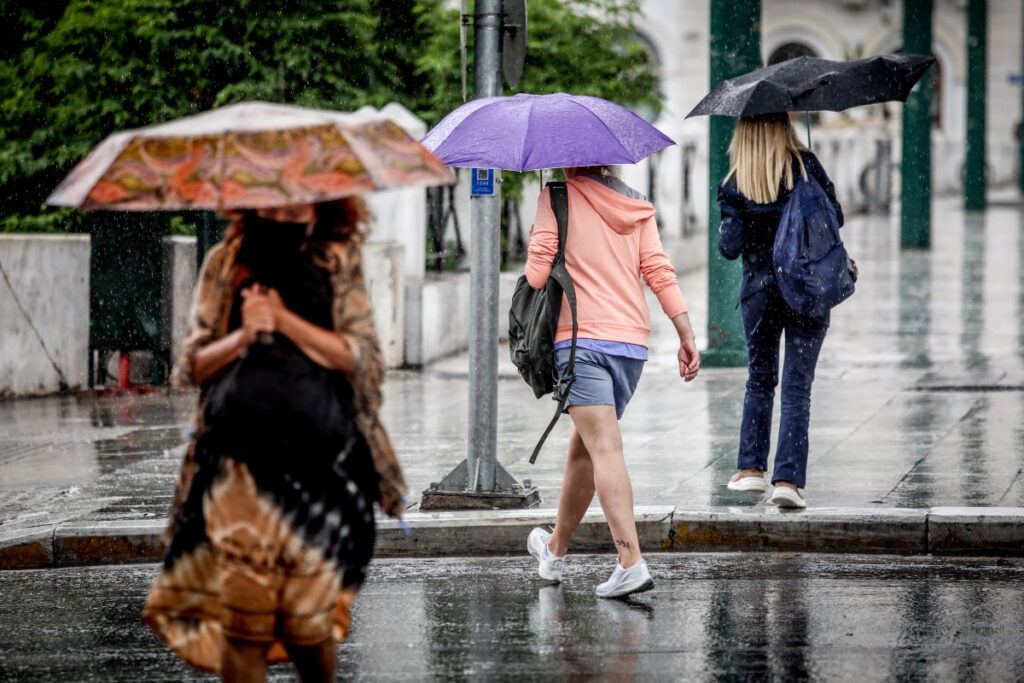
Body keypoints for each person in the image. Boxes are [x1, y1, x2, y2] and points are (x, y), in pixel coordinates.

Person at [143, 199, 406, 682]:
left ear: (320, 202)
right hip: (237, 473)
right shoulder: (225, 260)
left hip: (324, 469)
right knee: (244, 629)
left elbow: (364, 358)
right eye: (274, 208)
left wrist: (285, 322)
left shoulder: (336, 258)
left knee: (308, 629)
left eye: (297, 208)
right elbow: (192, 366)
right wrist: (245, 333)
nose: (285, 215)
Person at [524, 166, 700, 598]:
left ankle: (630, 561)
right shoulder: (636, 204)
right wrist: (686, 334)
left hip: (581, 340)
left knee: (604, 448)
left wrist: (548, 232)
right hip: (630, 347)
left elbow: (537, 276)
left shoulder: (557, 196)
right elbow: (658, 271)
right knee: (583, 450)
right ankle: (554, 551)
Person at [717, 113, 844, 508]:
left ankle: (751, 469)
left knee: (760, 379)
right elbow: (835, 218)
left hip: (760, 294)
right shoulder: (805, 167)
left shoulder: (734, 183)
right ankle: (788, 480)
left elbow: (729, 247)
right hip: (806, 290)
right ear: (784, 127)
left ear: (743, 133)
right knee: (797, 388)